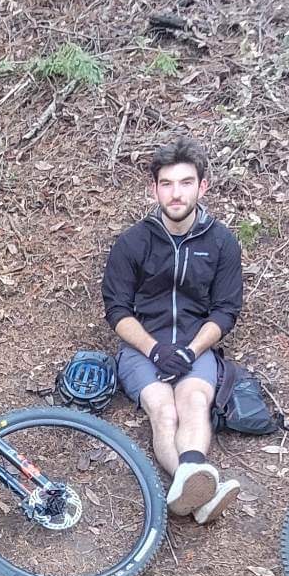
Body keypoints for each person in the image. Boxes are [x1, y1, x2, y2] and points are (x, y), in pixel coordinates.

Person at [101, 137, 246, 523]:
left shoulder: (221, 242)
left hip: (196, 346)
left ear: (203, 186)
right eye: (167, 184)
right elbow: (116, 310)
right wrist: (153, 350)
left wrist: (191, 350)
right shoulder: (134, 242)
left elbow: (226, 309)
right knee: (163, 410)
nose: (176, 193)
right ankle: (197, 490)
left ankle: (189, 483)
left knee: (194, 402)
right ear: (154, 189)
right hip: (142, 347)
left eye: (185, 183)